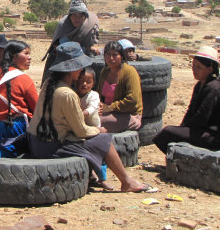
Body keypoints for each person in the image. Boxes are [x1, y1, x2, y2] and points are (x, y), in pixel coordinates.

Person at [27, 42, 150, 193]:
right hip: (50, 145)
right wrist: (99, 130)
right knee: (104, 140)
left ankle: (94, 176)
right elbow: (81, 132)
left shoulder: (49, 83)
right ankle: (126, 181)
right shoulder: (67, 94)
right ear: (74, 69)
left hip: (35, 141)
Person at [153, 46, 220, 154]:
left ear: (210, 69)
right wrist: (182, 127)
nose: (194, 70)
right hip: (201, 131)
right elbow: (190, 111)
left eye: (199, 67)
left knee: (167, 132)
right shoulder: (200, 85)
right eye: (193, 66)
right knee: (169, 133)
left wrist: (184, 129)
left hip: (213, 137)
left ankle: (180, 160)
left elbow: (202, 117)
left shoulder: (213, 88)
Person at [0, 40, 39, 157]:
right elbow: (37, 108)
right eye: (26, 53)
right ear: (14, 57)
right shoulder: (24, 78)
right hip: (13, 127)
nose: (29, 58)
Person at [41, 0, 100, 83]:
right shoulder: (63, 25)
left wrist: (89, 48)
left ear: (85, 16)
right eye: (74, 15)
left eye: (80, 15)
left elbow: (90, 44)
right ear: (69, 16)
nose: (77, 18)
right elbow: (63, 47)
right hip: (63, 60)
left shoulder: (91, 25)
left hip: (83, 59)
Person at [75, 66, 112, 190]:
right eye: (81, 81)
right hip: (80, 129)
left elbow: (91, 109)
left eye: (88, 82)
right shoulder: (72, 94)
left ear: (93, 83)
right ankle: (91, 176)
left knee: (100, 154)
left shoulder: (94, 95)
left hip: (94, 128)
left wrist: (80, 114)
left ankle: (103, 179)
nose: (84, 84)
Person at [98, 41, 143, 133]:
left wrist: (110, 107)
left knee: (96, 122)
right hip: (107, 111)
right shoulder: (105, 71)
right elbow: (99, 94)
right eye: (108, 55)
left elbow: (133, 100)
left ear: (121, 56)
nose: (111, 58)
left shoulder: (129, 72)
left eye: (115, 55)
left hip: (128, 114)